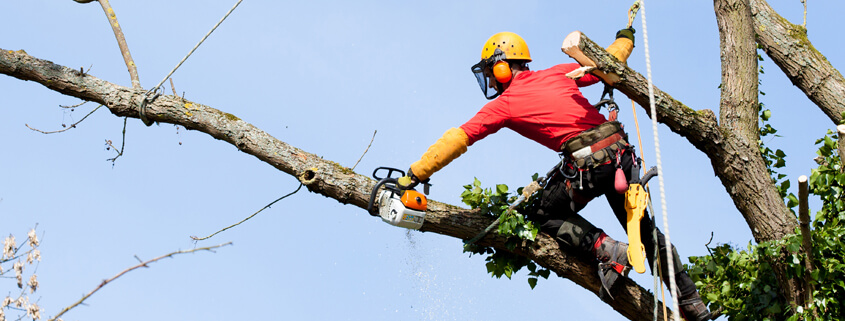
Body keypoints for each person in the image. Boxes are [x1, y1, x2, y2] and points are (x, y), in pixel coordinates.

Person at [399, 30, 712, 321]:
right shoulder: (559, 73)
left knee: (542, 215)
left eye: (491, 75)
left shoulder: (505, 104)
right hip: (620, 156)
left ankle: (608, 249)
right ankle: (692, 303)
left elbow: (459, 138)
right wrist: (624, 38)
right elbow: (609, 58)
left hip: (589, 165)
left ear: (501, 68)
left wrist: (414, 173)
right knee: (645, 233)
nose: (492, 85)